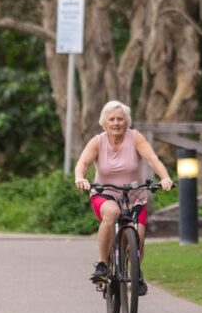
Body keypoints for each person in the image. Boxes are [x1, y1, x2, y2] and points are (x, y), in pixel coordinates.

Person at [74, 100, 173, 296]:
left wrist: (165, 177)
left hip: (134, 195)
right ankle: (102, 265)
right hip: (105, 193)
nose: (116, 123)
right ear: (104, 122)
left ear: (126, 121)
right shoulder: (98, 141)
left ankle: (135, 271)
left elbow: (152, 159)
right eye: (112, 119)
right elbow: (83, 163)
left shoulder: (135, 138)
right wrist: (80, 178)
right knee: (111, 212)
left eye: (120, 119)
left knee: (138, 237)